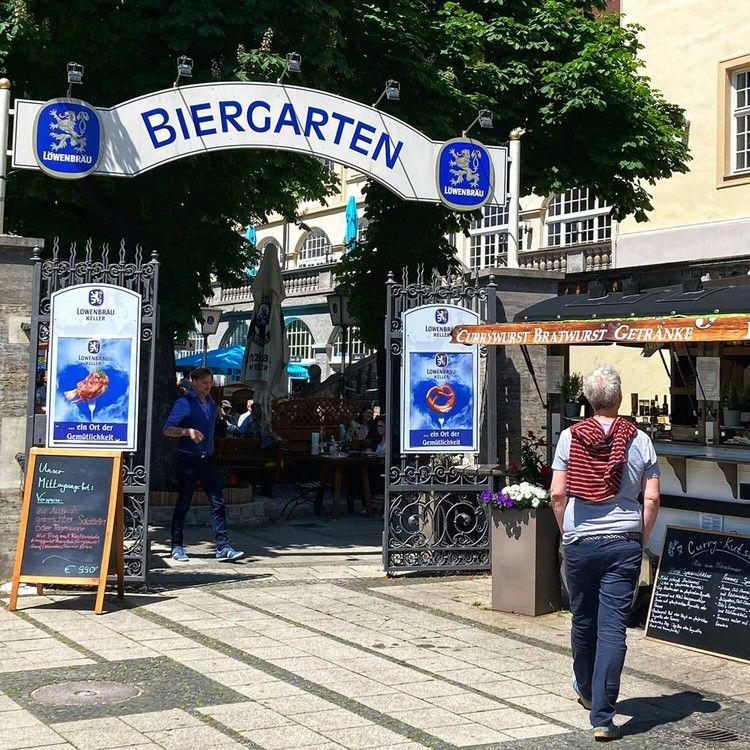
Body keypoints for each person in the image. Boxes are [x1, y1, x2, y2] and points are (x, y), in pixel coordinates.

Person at [550, 364, 660, 741]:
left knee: (583, 619)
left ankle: (585, 688)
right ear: (619, 398)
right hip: (624, 541)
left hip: (581, 540)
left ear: (587, 399)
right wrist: (640, 537)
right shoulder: (640, 439)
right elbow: (652, 496)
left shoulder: (569, 437)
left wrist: (569, 532)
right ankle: (603, 717)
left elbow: (557, 494)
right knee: (613, 627)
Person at [163, 366, 244, 563]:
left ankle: (223, 546)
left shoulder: (211, 403)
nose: (208, 386)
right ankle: (176, 545)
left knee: (218, 502)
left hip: (207, 458)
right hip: (188, 458)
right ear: (194, 382)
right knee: (184, 502)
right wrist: (186, 431)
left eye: (210, 382)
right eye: (205, 382)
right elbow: (167, 429)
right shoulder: (184, 403)